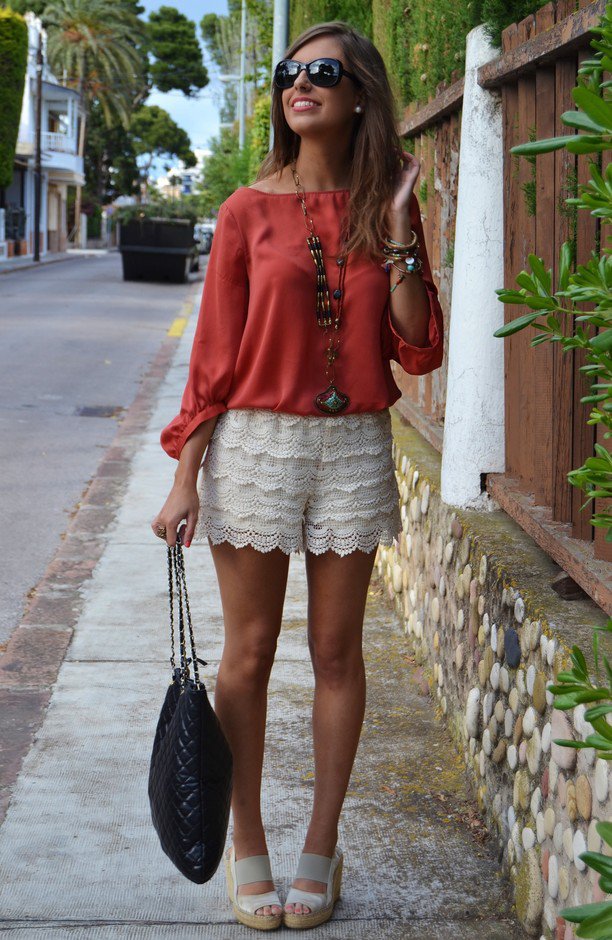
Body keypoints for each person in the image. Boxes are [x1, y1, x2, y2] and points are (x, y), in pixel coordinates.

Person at [151, 19, 444, 931]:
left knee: (335, 653)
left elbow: (419, 346)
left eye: (325, 71)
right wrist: (184, 475)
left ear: (360, 96)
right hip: (255, 445)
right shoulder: (245, 210)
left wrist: (397, 237)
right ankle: (250, 848)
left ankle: (321, 848)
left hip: (354, 443)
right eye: (291, 72)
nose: (301, 83)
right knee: (246, 656)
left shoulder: (384, 205)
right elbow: (214, 354)